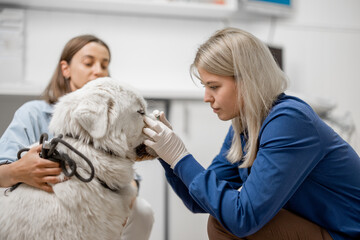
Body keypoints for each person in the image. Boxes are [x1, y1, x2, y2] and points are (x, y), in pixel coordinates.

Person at [143, 27, 360, 240]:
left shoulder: (289, 121)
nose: (206, 97)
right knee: (220, 220)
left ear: (247, 80)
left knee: (225, 224)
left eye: (214, 86)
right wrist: (168, 156)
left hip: (346, 233)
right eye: (204, 86)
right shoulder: (245, 126)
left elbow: (242, 218)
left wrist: (180, 157)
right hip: (322, 228)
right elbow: (199, 201)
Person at [0, 34, 154, 240]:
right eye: (89, 62)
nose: (98, 70)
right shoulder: (33, 113)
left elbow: (130, 179)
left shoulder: (116, 118)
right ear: (66, 69)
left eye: (104, 64)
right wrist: (18, 170)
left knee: (142, 211)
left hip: (98, 206)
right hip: (41, 208)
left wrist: (124, 196)